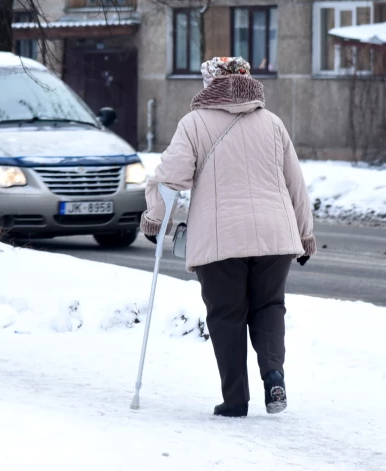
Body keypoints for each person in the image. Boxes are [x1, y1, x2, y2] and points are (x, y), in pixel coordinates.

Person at [141, 57, 316, 418]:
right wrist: (305, 233)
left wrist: (154, 221)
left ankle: (235, 399)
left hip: (220, 241)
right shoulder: (272, 123)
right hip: (275, 235)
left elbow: (171, 180)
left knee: (227, 314)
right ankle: (274, 376)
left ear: (208, 84)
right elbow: (295, 183)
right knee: (269, 308)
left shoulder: (193, 124)